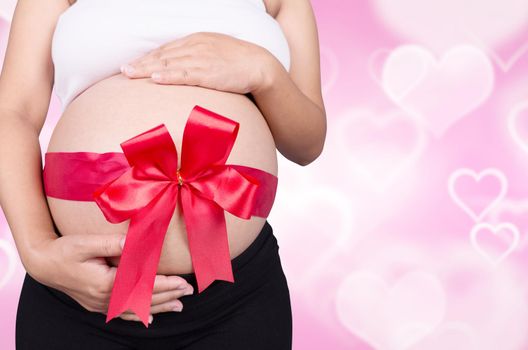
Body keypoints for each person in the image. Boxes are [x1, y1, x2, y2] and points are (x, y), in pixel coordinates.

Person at [0, 0, 326, 348]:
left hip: (235, 298)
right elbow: (11, 114)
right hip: (76, 290)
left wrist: (266, 72)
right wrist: (36, 251)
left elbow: (307, 144)